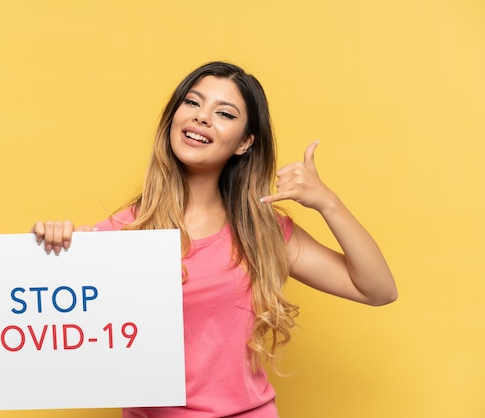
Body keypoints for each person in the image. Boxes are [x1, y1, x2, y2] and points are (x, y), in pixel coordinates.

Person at [32, 61, 397, 418]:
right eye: (192, 102)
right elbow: (55, 329)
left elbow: (377, 290)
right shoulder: (124, 234)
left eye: (224, 113)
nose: (202, 117)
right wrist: (56, 252)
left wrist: (326, 202)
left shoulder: (262, 233)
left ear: (245, 143)